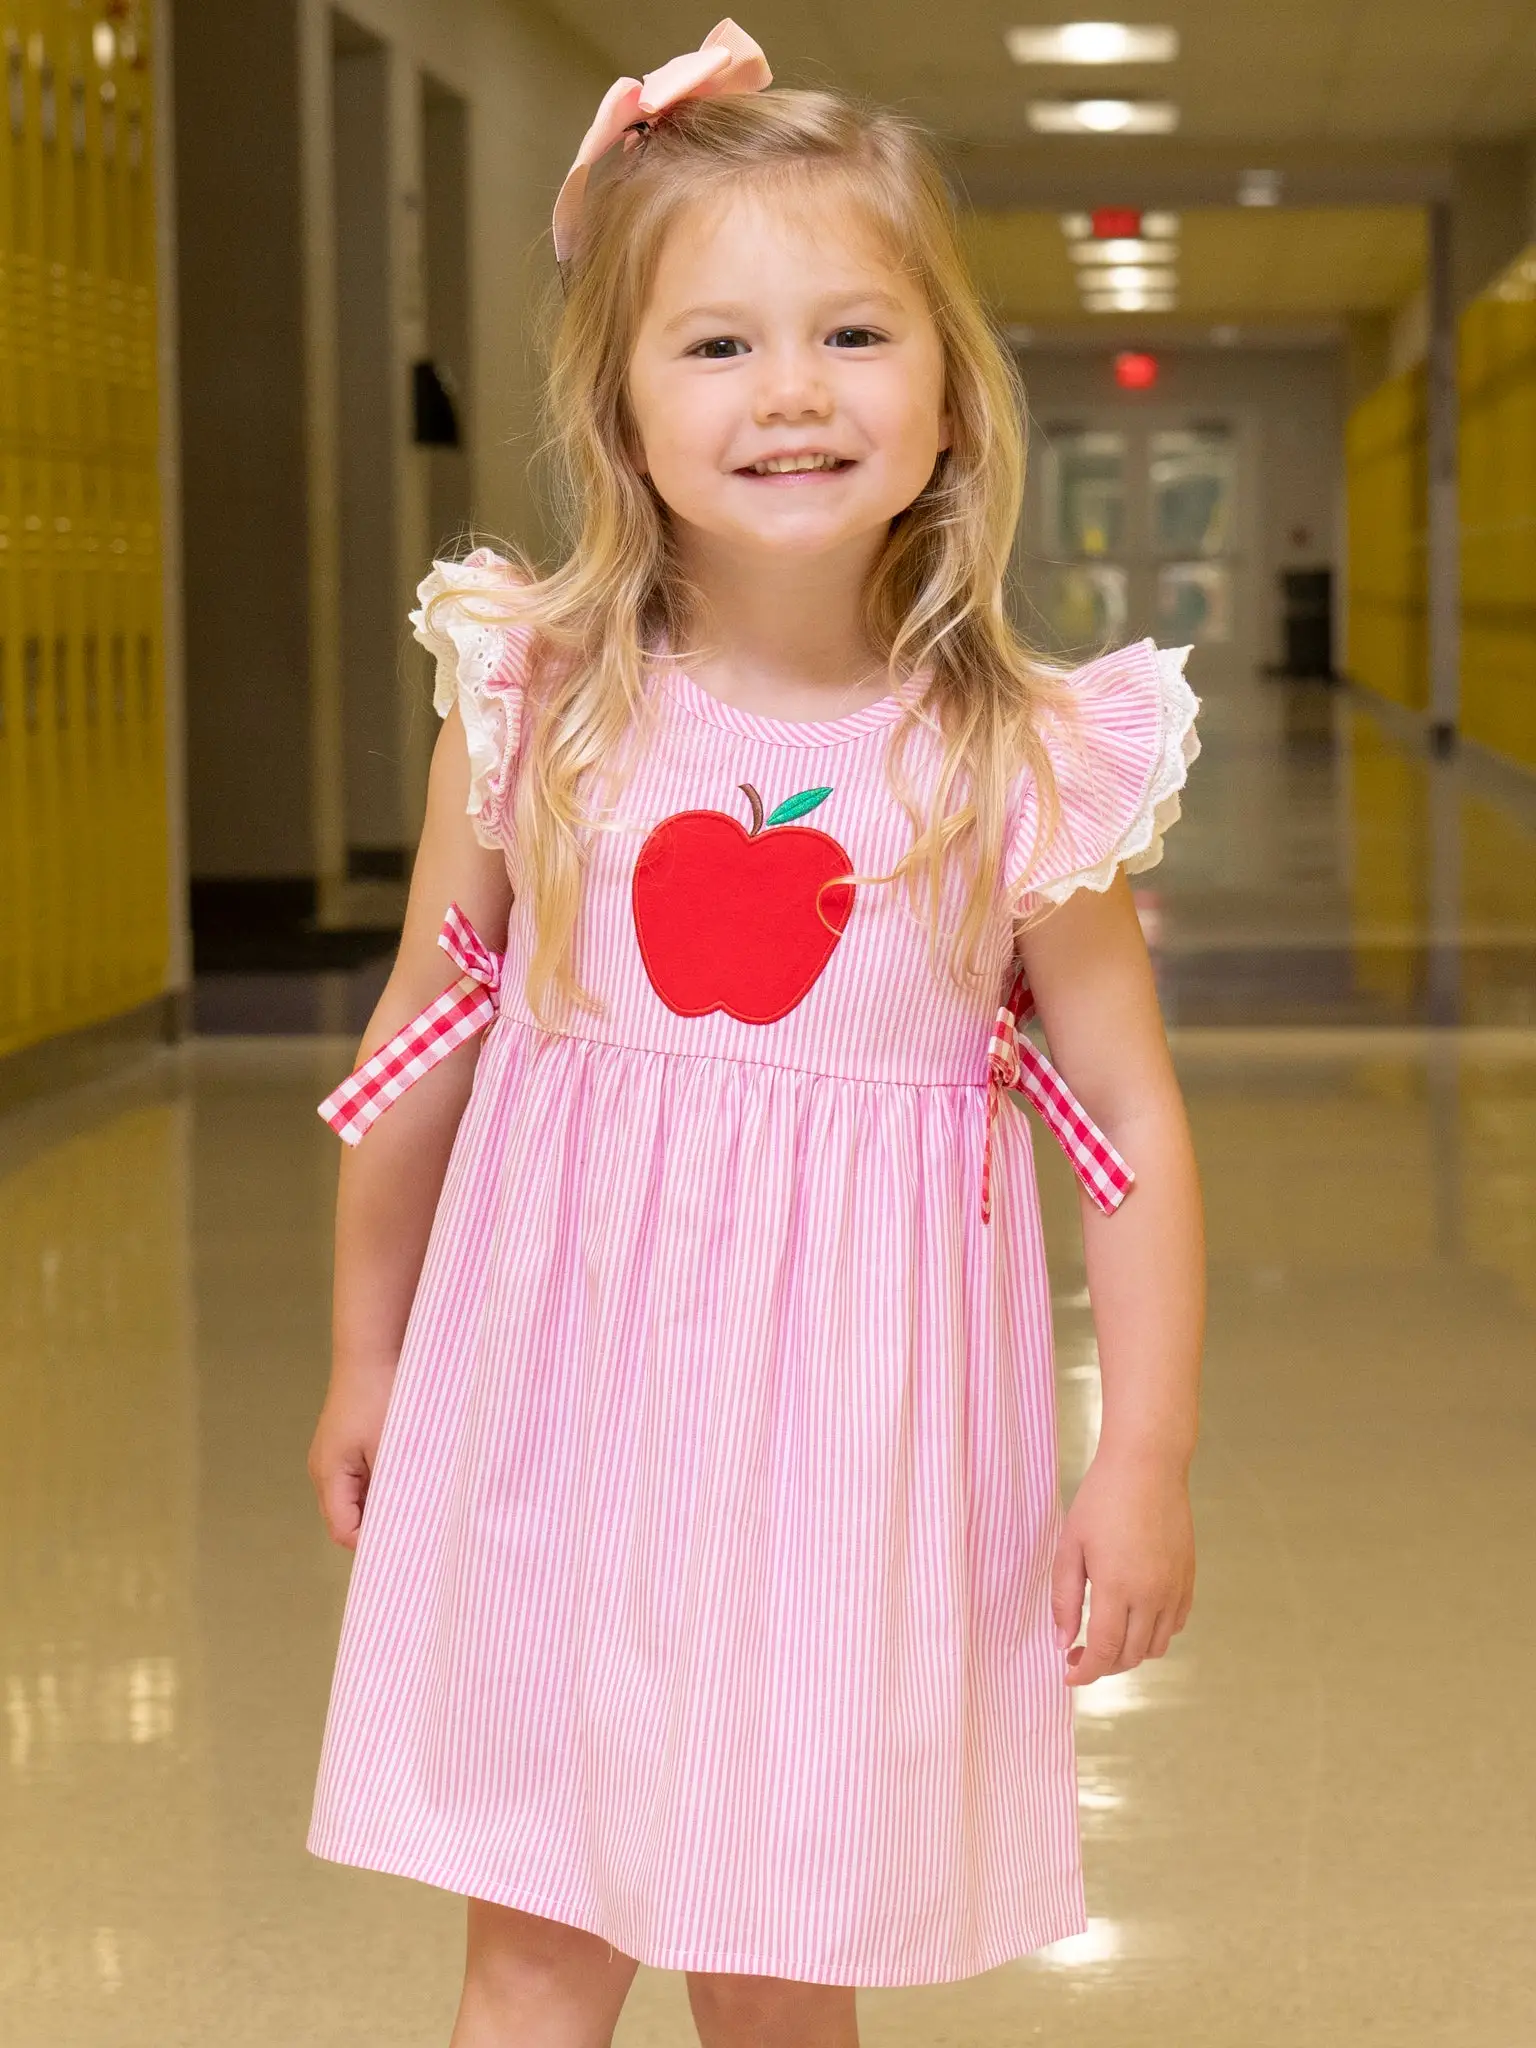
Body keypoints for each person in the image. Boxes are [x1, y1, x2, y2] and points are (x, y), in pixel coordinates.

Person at [305, 21, 1205, 2048]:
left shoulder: (1019, 761)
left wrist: (1137, 1459)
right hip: (556, 1410)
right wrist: (368, 1351)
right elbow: (427, 1024)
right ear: (619, 408)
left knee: (786, 1936)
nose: (790, 391)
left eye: (853, 335)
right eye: (715, 344)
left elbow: (1130, 1125)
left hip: (850, 1454)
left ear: (953, 396)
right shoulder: (538, 693)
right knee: (533, 1941)